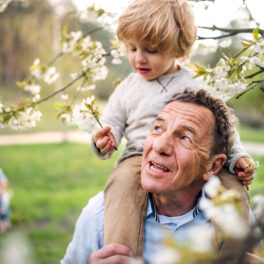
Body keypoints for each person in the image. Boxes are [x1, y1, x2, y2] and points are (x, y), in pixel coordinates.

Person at [91, 0, 255, 256]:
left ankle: (237, 255)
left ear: (177, 48)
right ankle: (120, 255)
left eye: (152, 50)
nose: (139, 58)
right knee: (122, 183)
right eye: (132, 48)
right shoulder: (128, 88)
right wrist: (102, 141)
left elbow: (223, 129)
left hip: (197, 156)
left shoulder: (196, 83)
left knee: (232, 186)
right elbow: (109, 126)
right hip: (139, 155)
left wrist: (237, 158)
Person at [61, 89, 253, 264]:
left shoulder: (232, 219)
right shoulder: (100, 214)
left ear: (213, 166)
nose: (160, 146)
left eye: (185, 138)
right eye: (158, 128)